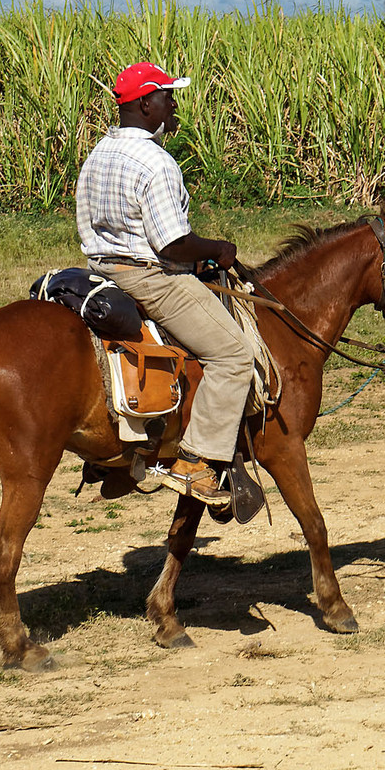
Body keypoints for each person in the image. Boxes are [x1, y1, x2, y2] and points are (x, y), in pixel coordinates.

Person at [76, 62, 253, 505]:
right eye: (168, 97)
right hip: (147, 278)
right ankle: (196, 462)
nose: (174, 105)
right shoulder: (156, 161)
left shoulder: (98, 153)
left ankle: (116, 457)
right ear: (145, 104)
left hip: (100, 273)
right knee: (234, 354)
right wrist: (219, 249)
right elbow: (173, 245)